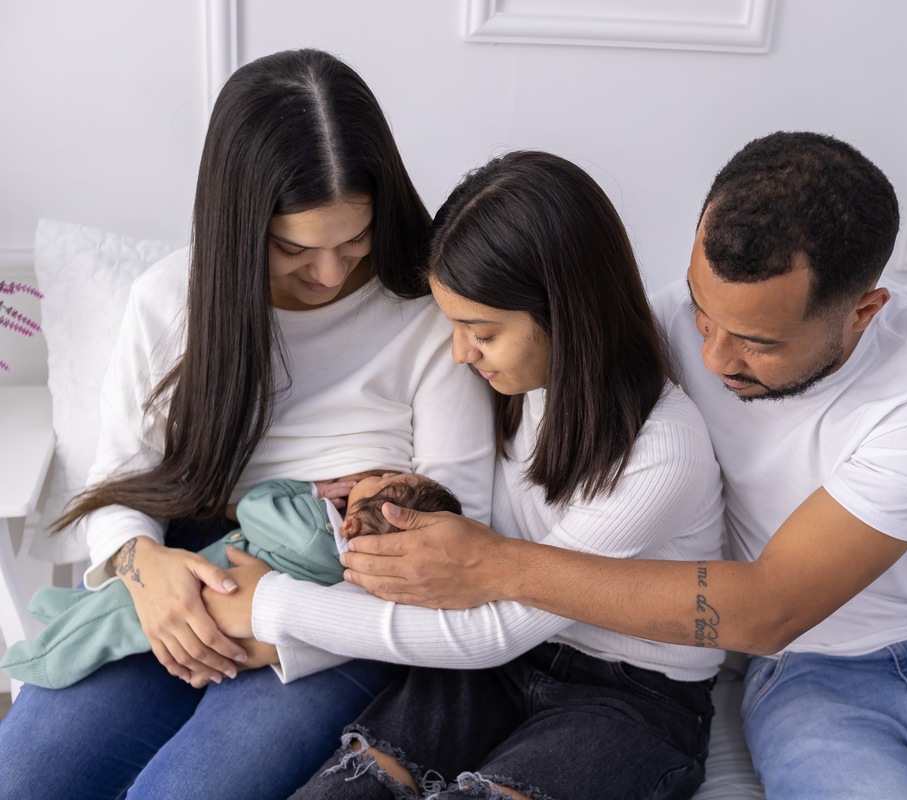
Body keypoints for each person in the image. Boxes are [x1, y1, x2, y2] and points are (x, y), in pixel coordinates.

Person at [348, 132, 907, 799]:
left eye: (759, 342)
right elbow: (523, 350)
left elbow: (769, 608)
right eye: (701, 307)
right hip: (808, 677)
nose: (712, 355)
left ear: (863, 311)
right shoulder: (665, 325)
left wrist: (497, 566)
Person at [0, 49, 494, 800]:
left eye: (353, 241)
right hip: (193, 567)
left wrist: (291, 616)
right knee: (27, 776)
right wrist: (146, 570)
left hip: (344, 595)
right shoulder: (172, 299)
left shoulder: (430, 311)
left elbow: (461, 522)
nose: (330, 274)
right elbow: (121, 478)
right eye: (295, 249)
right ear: (240, 222)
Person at [205, 150, 726, 800]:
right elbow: (463, 553)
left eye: (480, 331)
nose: (459, 352)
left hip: (629, 694)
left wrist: (270, 603)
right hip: (502, 669)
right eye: (453, 325)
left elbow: (491, 629)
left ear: (567, 313)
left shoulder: (661, 451)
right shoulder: (514, 385)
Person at [1, 472, 462, 689]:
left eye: (379, 481)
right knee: (117, 606)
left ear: (354, 526)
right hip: (238, 611)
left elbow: (254, 507)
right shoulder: (359, 576)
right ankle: (67, 609)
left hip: (208, 588)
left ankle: (47, 658)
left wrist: (309, 491)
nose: (374, 474)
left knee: (119, 622)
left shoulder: (311, 529)